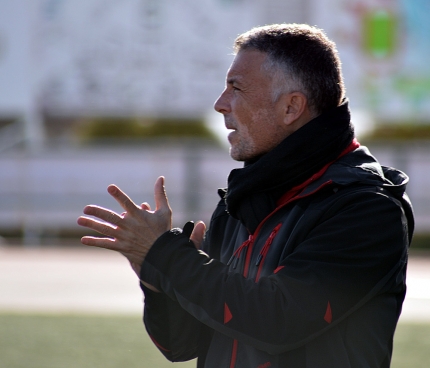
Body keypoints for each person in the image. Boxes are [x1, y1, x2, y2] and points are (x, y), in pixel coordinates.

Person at [78, 24, 414, 367]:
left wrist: (166, 256)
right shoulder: (243, 198)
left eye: (235, 88)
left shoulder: (367, 207)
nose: (220, 104)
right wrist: (156, 278)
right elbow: (183, 345)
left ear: (291, 108)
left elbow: (277, 321)